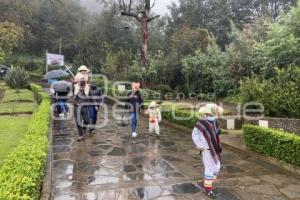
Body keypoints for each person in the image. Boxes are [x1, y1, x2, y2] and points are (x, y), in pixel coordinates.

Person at [192, 103, 223, 199]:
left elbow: (216, 133)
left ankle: (209, 181)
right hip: (206, 149)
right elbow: (194, 134)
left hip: (214, 148)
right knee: (209, 168)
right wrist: (200, 145)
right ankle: (208, 188)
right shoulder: (201, 122)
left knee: (217, 166)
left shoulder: (214, 121)